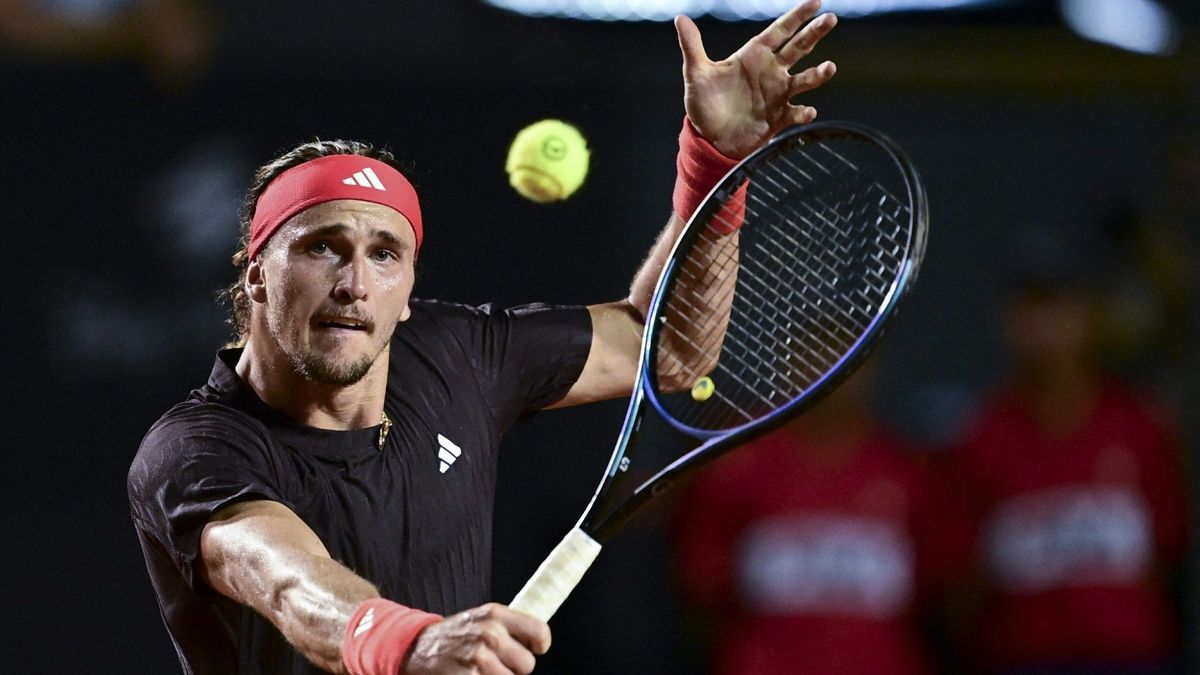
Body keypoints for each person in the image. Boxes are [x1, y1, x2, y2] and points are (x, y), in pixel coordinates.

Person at [126, 2, 840, 673]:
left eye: (384, 254)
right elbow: (284, 580)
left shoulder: (455, 354)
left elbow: (673, 348)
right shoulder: (195, 448)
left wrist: (711, 162)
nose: (354, 283)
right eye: (322, 248)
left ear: (408, 292)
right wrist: (414, 643)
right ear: (255, 277)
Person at [938, 232, 1190, 674]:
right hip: (1024, 660)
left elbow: (1168, 556)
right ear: (1008, 319)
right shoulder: (980, 437)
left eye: (1059, 303)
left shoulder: (1138, 425)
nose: (1046, 325)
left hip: (1131, 659)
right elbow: (960, 585)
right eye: (1030, 306)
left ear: (1091, 314)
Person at [673, 366, 946, 675]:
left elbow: (942, 589)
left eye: (853, 365)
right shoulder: (739, 467)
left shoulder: (908, 472)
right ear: (795, 367)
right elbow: (701, 587)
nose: (839, 378)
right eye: (822, 360)